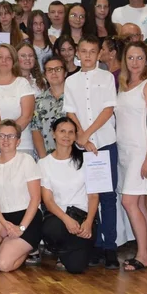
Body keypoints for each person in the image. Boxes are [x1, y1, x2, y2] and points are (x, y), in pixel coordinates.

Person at [62, 37, 119, 268]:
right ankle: (95, 245)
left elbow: (108, 109)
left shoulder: (106, 77)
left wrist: (87, 135)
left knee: (108, 197)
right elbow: (70, 111)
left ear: (98, 54)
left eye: (92, 51)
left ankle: (111, 247)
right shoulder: (71, 80)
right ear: (77, 52)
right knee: (89, 196)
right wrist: (81, 137)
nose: (87, 56)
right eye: (83, 51)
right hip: (82, 146)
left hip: (104, 142)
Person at [115, 40, 147, 271]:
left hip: (141, 152)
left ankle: (143, 254)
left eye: (140, 58)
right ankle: (146, 252)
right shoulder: (123, 85)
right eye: (131, 57)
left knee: (129, 201)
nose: (135, 62)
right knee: (139, 203)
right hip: (124, 151)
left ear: (146, 61)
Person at [0, 119, 43, 272]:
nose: (5, 140)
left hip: (28, 217)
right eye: (1, 135)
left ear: (18, 141)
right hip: (3, 218)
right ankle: (10, 243)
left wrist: (21, 228)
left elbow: (36, 199)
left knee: (3, 265)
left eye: (11, 136)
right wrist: (5, 223)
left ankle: (25, 248)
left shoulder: (27, 160)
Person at [39, 116, 101, 274]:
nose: (66, 136)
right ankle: (69, 250)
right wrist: (67, 220)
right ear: (53, 133)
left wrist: (88, 222)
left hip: (83, 217)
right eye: (62, 131)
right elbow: (48, 200)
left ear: (75, 136)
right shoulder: (44, 163)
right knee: (51, 229)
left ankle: (71, 250)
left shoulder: (86, 160)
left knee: (76, 268)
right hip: (58, 217)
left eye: (71, 132)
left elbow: (93, 196)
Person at [0, 44, 36, 158]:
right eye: (0, 57)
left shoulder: (22, 83)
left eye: (8, 58)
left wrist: (5, 137)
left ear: (14, 62)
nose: (4, 61)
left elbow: (26, 117)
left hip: (20, 145)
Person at [32, 56, 68, 159]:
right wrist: (44, 159)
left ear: (65, 73)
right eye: (49, 70)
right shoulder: (39, 101)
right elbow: (36, 130)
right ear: (45, 75)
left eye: (58, 69)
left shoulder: (75, 96)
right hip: (48, 156)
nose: (54, 73)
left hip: (73, 155)